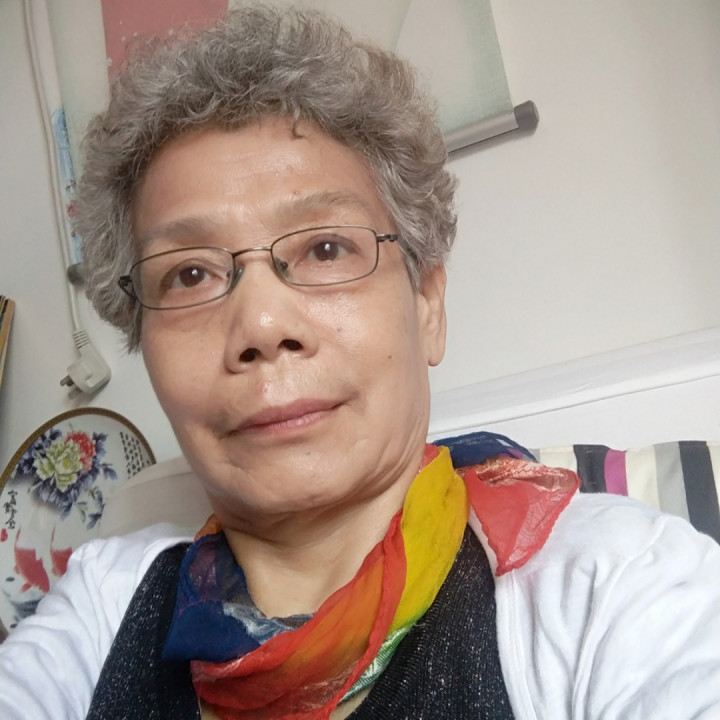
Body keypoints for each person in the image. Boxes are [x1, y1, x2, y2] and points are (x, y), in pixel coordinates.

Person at [1, 5, 719, 719]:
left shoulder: (614, 588)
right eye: (189, 274)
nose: (262, 326)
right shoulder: (103, 603)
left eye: (325, 248)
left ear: (428, 304)